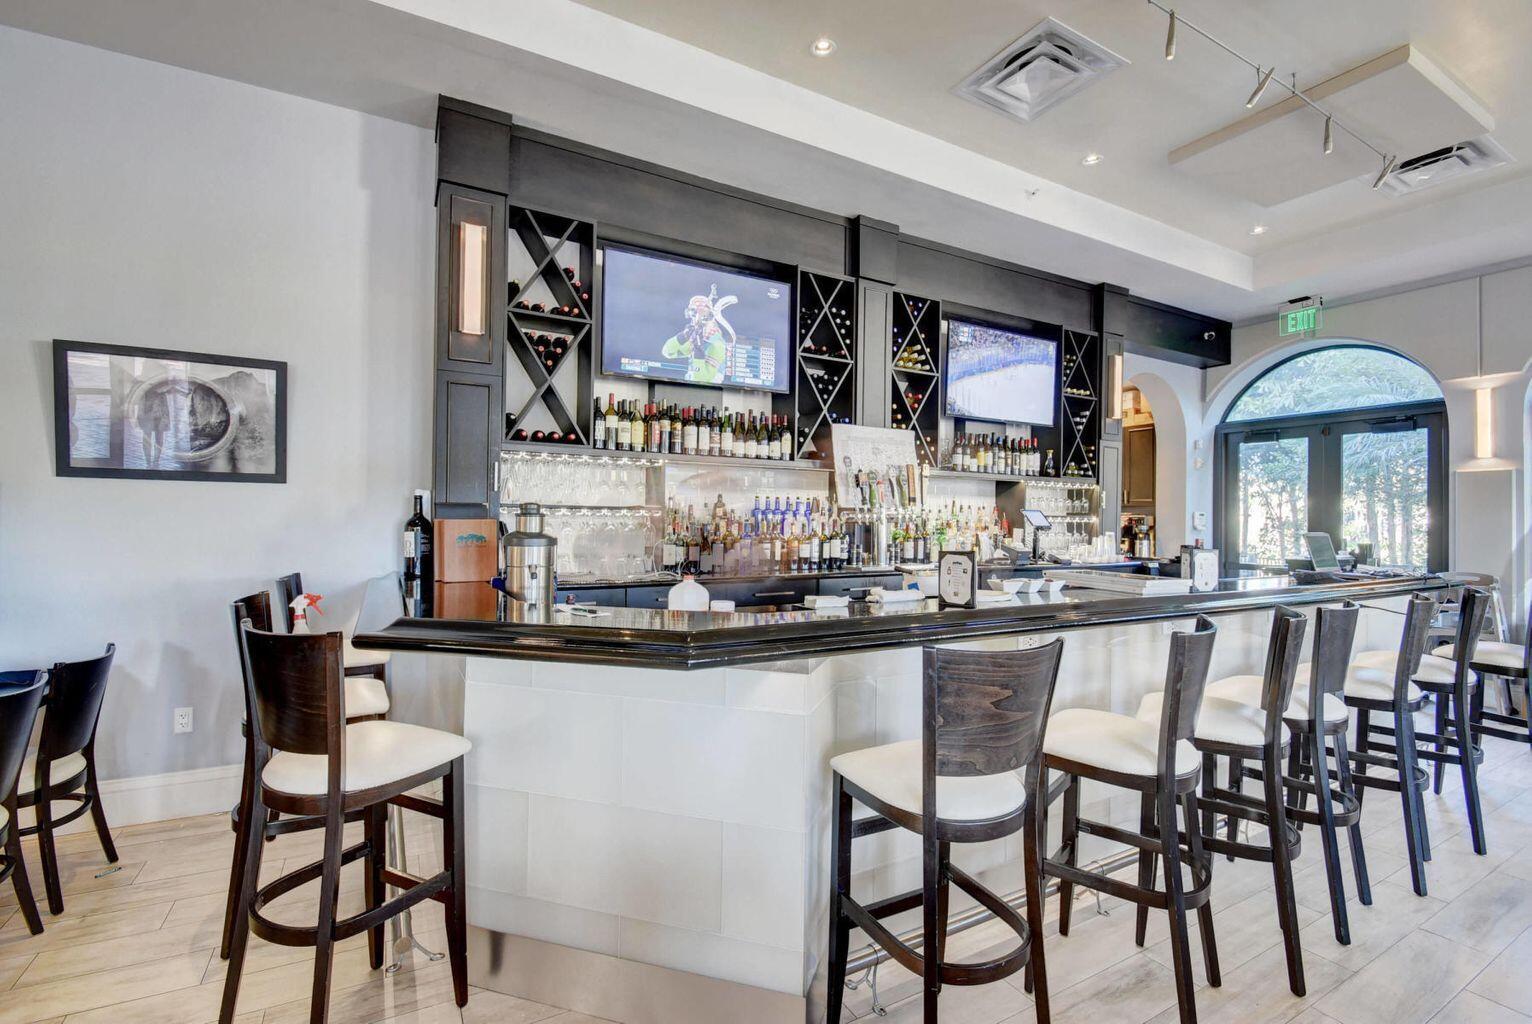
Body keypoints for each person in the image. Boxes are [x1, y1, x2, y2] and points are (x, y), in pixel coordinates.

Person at [661, 285, 736, 384]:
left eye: (702, 311)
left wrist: (698, 355)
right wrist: (683, 337)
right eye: (695, 312)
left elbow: (704, 380)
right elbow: (668, 352)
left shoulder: (716, 342)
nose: (696, 318)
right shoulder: (695, 338)